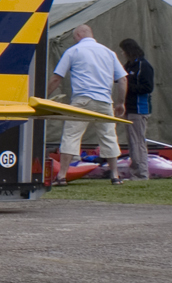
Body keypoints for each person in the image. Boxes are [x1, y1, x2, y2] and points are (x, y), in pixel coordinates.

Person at [48, 23, 126, 185]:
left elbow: (57, 78)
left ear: (77, 36)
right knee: (109, 136)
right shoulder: (109, 53)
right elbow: (122, 79)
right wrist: (120, 103)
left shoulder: (73, 51)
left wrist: (43, 96)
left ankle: (62, 176)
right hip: (105, 101)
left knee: (71, 136)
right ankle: (115, 176)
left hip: (82, 100)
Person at [118, 38, 154, 180]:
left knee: (138, 141)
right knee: (132, 141)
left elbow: (148, 87)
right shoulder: (129, 66)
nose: (122, 53)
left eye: (123, 50)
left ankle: (142, 173)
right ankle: (135, 171)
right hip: (129, 108)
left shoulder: (144, 66)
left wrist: (128, 87)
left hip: (139, 108)